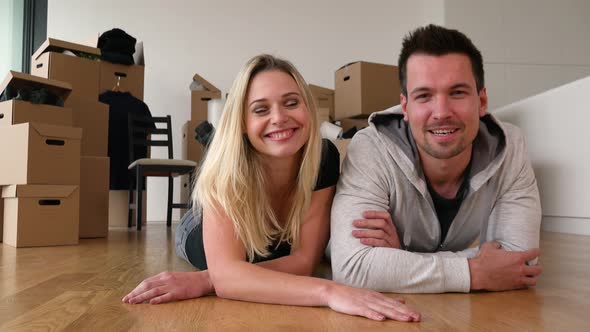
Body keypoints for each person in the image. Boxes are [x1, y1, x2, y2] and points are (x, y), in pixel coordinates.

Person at [122, 54, 420, 322]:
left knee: (258, 262)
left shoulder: (322, 157)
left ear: (307, 107)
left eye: (291, 103)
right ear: (242, 122)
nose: (279, 118)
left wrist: (209, 280)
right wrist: (330, 292)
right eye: (261, 109)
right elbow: (230, 277)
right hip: (199, 230)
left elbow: (303, 262)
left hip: (276, 240)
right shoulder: (225, 168)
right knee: (249, 260)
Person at [330, 24, 542, 293]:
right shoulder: (371, 147)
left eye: (457, 93)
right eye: (424, 96)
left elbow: (520, 262)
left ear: (482, 100)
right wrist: (473, 272)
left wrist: (401, 260)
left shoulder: (510, 146)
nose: (441, 112)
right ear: (405, 106)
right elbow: (353, 267)